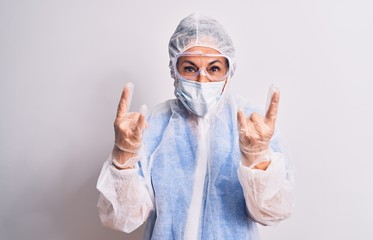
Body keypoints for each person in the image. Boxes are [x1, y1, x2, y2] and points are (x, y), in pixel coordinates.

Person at [96, 13, 295, 239]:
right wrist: (124, 155)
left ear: (229, 71)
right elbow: (124, 218)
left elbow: (272, 213)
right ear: (174, 69)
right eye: (190, 68)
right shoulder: (150, 125)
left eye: (214, 68)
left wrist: (257, 158)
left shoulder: (253, 126)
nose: (202, 80)